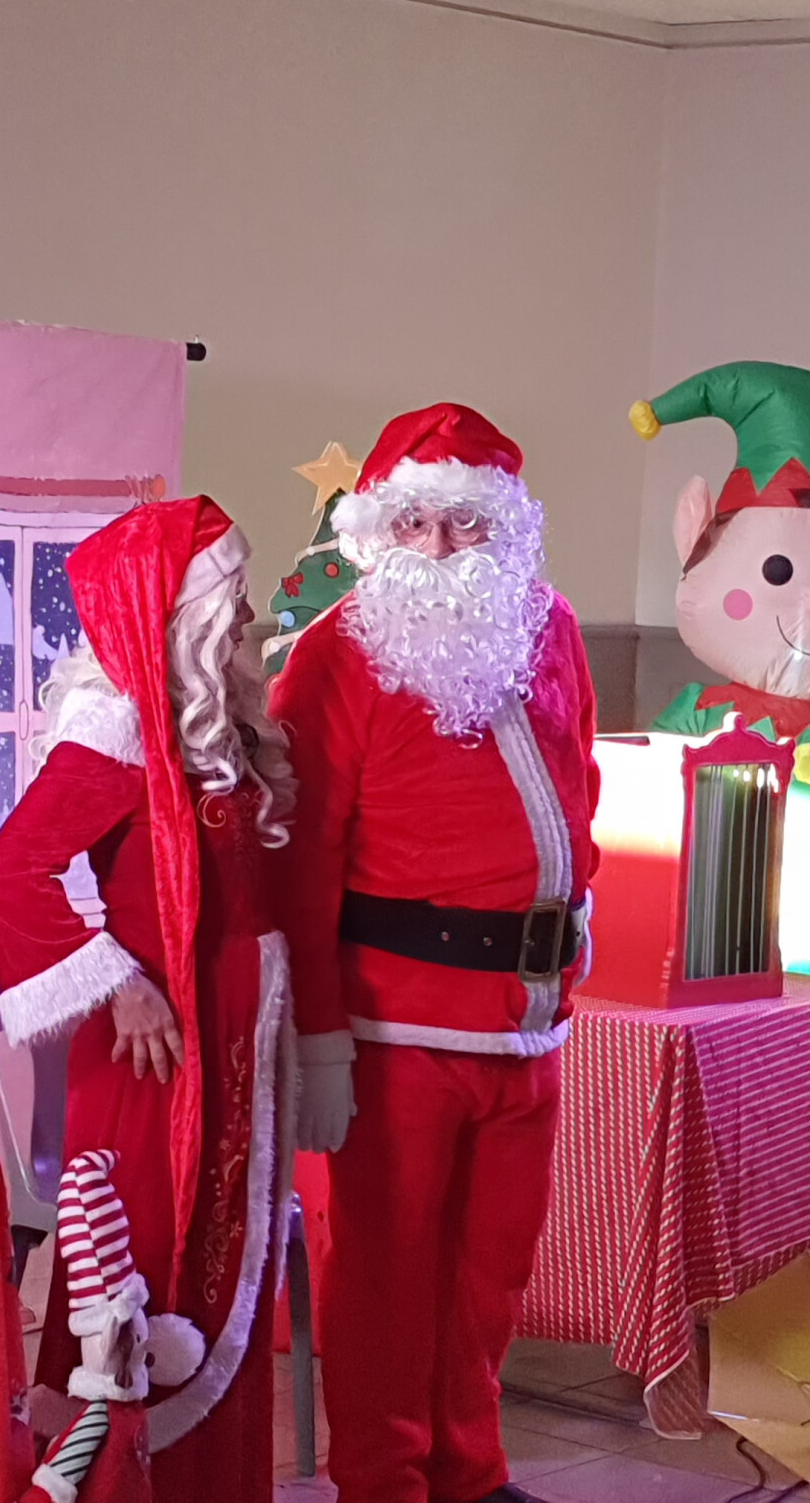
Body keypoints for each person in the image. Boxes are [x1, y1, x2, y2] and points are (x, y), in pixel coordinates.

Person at [272, 403, 599, 1503]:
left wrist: (577, 909)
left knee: (490, 1271)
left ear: (506, 529)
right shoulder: (334, 654)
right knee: (384, 1275)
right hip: (393, 1027)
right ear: (377, 530)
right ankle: (383, 1481)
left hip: (529, 1017)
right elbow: (301, 858)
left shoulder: (548, 626)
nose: (441, 548)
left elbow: (580, 779)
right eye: (414, 523)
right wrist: (320, 1041)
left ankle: (470, 1471)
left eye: (466, 524)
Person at [0, 496, 298, 1503]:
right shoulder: (116, 723)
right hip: (159, 1061)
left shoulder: (209, 720)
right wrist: (116, 983)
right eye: (227, 596)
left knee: (218, 1274)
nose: (243, 614)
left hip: (232, 1045)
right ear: (175, 617)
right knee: (145, 1276)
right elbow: (11, 873)